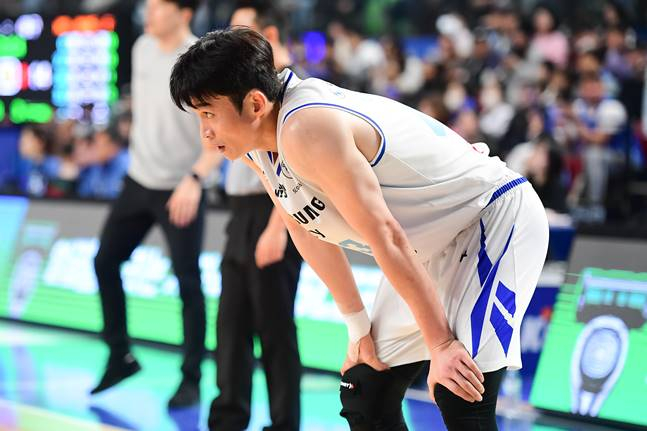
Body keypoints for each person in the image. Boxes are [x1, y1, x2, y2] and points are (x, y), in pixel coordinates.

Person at [170, 27, 549, 430]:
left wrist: (440, 343)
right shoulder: (260, 143)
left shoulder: (305, 126)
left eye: (209, 114)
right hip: (431, 242)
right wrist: (358, 330)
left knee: (460, 391)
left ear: (254, 103)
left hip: (489, 216)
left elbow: (385, 233)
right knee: (365, 389)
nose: (205, 132)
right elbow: (303, 226)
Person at [91, 0, 221, 408]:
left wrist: (195, 179)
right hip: (138, 179)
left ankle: (191, 378)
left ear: (185, 13)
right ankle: (120, 355)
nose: (149, 13)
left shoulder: (201, 58)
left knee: (188, 281)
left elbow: (218, 132)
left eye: (159, 6)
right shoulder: (142, 47)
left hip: (180, 186)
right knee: (105, 261)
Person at [208, 2, 303, 430]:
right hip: (240, 212)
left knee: (276, 329)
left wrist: (278, 228)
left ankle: (285, 423)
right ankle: (229, 417)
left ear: (268, 35)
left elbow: (298, 173)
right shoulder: (235, 85)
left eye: (240, 31)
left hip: (278, 209)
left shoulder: (292, 90)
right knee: (231, 323)